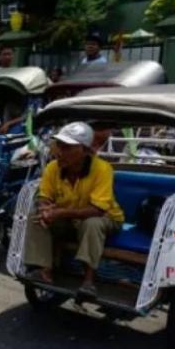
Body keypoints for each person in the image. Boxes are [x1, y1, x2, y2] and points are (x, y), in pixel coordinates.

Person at [23, 122, 124, 297]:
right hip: (70, 217)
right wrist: (45, 208)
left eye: (68, 147)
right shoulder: (53, 167)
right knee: (37, 216)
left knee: (91, 224)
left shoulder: (102, 169)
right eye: (59, 146)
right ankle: (44, 270)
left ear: (85, 151)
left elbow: (97, 210)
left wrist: (59, 212)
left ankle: (88, 281)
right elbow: (44, 195)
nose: (60, 151)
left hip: (105, 218)